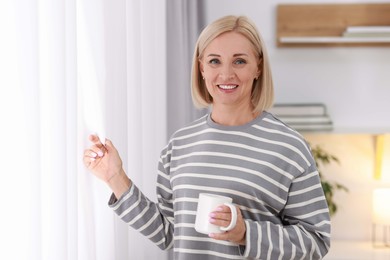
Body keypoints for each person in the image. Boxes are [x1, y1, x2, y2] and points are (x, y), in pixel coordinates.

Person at [83, 15, 330, 259]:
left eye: (240, 61)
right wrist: (115, 178)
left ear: (258, 67)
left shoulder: (289, 147)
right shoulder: (180, 144)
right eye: (214, 61)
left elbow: (316, 242)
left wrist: (247, 234)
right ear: (201, 68)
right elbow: (169, 233)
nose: (226, 74)